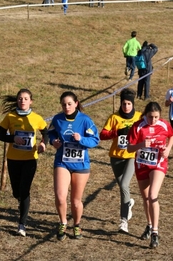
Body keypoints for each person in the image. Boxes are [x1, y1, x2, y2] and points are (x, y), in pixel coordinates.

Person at [48, 91, 100, 241]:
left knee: (76, 201)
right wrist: (53, 142)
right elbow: (50, 133)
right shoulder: (57, 119)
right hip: (62, 162)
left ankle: (77, 225)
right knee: (60, 196)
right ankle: (63, 222)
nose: (66, 107)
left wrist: (81, 139)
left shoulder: (85, 120)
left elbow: (95, 140)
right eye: (64, 104)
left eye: (69, 104)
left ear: (76, 103)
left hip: (80, 164)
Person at [0, 88, 49, 237]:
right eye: (20, 98)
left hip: (30, 159)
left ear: (31, 101)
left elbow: (46, 133)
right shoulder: (10, 117)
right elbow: (0, 135)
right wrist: (13, 139)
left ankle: (22, 224)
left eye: (26, 98)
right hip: (13, 158)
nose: (22, 101)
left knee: (25, 190)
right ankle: (20, 200)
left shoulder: (37, 118)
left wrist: (44, 143)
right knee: (16, 192)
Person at [127, 102, 173, 249]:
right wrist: (141, 145)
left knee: (153, 195)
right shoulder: (138, 126)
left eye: (156, 117)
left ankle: (155, 232)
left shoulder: (164, 124)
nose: (153, 120)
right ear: (145, 115)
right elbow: (129, 148)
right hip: (141, 165)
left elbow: (172, 135)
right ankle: (149, 225)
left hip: (159, 163)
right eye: (150, 117)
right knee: (146, 198)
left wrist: (168, 149)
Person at [99, 88, 142, 233]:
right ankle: (128, 203)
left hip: (131, 156)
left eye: (129, 104)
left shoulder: (139, 117)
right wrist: (116, 132)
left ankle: (123, 221)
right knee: (123, 188)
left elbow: (146, 131)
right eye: (124, 103)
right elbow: (102, 135)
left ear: (133, 104)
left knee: (124, 185)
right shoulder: (114, 117)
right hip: (116, 157)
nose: (126, 106)